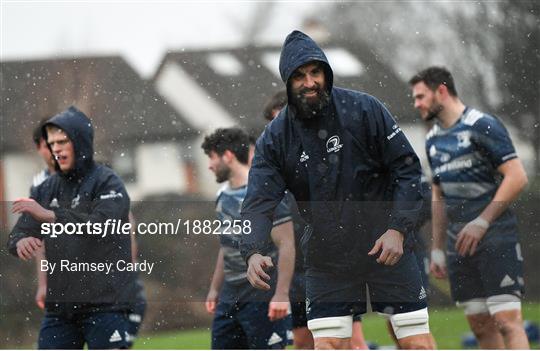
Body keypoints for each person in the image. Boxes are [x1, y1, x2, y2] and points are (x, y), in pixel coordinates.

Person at [240, 30, 435, 349]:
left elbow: (408, 169)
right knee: (328, 344)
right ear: (288, 82)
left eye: (316, 72)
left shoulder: (364, 109)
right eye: (300, 76)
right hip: (328, 258)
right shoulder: (275, 138)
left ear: (326, 73)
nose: (310, 82)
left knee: (415, 343)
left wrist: (398, 229)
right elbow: (258, 202)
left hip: (386, 245)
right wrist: (252, 250)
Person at [409, 66, 530, 349]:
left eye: (420, 97)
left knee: (507, 321)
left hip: (496, 238)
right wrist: (437, 248)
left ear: (441, 91)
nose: (416, 104)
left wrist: (482, 222)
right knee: (480, 325)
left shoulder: (482, 124)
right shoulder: (432, 139)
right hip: (458, 245)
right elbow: (438, 195)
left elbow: (517, 176)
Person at [7, 106, 140, 349]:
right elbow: (20, 231)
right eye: (51, 143)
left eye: (63, 141)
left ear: (80, 142)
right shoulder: (44, 189)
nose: (55, 148)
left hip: (105, 307)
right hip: (60, 311)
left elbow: (102, 226)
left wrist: (51, 215)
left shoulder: (107, 182)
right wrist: (20, 241)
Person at [201, 127, 295, 349]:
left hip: (261, 292)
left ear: (228, 156)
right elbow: (226, 247)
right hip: (230, 295)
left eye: (212, 157)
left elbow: (287, 244)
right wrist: (215, 289)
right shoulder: (222, 197)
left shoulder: (267, 192)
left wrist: (281, 294)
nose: (209, 165)